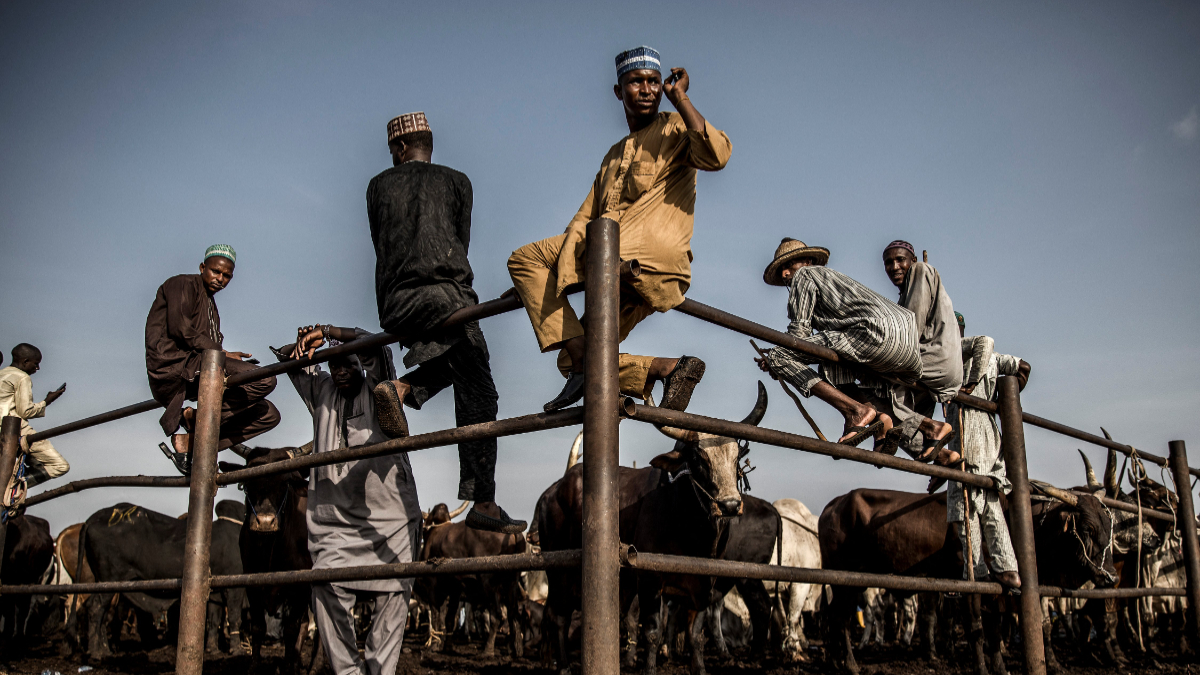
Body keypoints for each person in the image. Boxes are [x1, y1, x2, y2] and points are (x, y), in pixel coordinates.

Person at [507, 46, 731, 412]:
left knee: (524, 259)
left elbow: (717, 155)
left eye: (654, 82)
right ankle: (667, 369)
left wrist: (682, 99)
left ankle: (590, 362)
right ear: (618, 91)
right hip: (618, 273)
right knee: (575, 359)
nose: (646, 89)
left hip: (642, 260)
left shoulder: (677, 127)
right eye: (636, 81)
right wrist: (544, 281)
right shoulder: (613, 155)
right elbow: (584, 219)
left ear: (663, 88)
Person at [365, 112, 523, 534]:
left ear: (399, 148)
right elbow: (458, 244)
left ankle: (400, 389)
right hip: (447, 298)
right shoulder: (458, 181)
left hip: (396, 306)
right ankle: (483, 501)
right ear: (428, 144)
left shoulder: (377, 185)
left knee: (455, 362)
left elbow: (382, 243)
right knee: (481, 390)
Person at [272, 324, 419, 675]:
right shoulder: (321, 391)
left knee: (395, 591)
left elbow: (377, 347)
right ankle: (348, 672)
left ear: (361, 364)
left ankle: (379, 671)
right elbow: (294, 362)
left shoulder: (380, 386)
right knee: (324, 583)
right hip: (332, 519)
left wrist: (333, 330)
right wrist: (306, 343)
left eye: (347, 363)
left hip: (390, 516)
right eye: (333, 365)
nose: (340, 371)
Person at [755, 239, 923, 446]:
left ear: (807, 261)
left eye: (788, 266)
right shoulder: (834, 281)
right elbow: (818, 345)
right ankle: (895, 422)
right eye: (782, 269)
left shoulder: (805, 275)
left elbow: (799, 335)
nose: (785, 274)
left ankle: (856, 411)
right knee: (830, 366)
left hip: (874, 334)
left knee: (779, 356)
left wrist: (776, 358)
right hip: (909, 350)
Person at [145, 245, 280, 475]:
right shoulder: (183, 284)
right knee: (265, 380)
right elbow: (181, 330)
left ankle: (196, 445)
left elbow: (206, 344)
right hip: (175, 366)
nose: (220, 279)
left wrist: (223, 354)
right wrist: (222, 353)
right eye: (216, 272)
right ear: (202, 268)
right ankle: (197, 421)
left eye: (227, 276)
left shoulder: (211, 306)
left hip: (201, 366)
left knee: (268, 414)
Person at [944, 313, 1029, 590]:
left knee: (966, 504)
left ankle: (976, 572)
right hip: (988, 435)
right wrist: (1003, 403)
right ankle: (1008, 569)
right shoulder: (993, 359)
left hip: (967, 433)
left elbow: (985, 341)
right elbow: (1023, 367)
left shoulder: (952, 357)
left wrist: (970, 388)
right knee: (989, 502)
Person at [882, 240, 960, 461]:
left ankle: (928, 442)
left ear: (912, 261)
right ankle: (941, 457)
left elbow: (911, 330)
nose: (894, 267)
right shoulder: (905, 293)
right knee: (915, 417)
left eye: (900, 260)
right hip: (933, 365)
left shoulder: (920, 270)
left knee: (879, 388)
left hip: (932, 360)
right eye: (889, 263)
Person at [0, 344, 70, 486]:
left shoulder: (2, 374)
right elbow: (25, 411)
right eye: (36, 364)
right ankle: (15, 487)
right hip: (14, 429)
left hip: (4, 428)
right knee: (60, 466)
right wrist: (46, 402)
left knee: (34, 460)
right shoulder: (22, 377)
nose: (37, 368)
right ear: (25, 362)